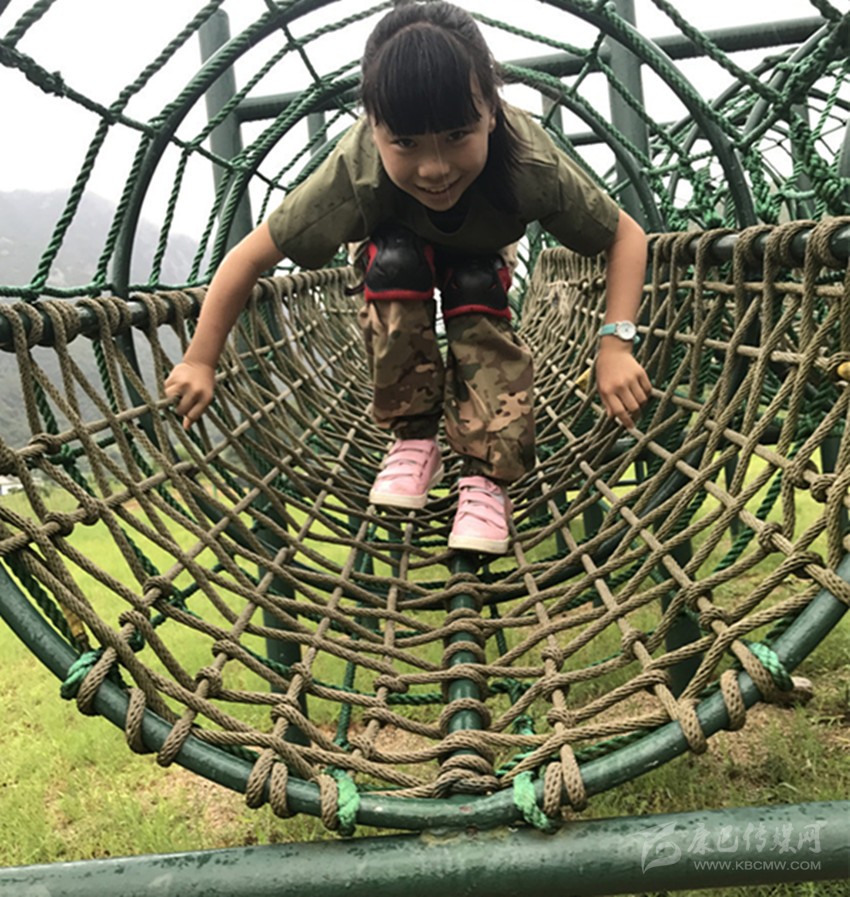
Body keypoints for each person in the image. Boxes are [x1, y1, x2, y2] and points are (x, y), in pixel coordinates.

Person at [164, 0, 651, 555]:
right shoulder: (355, 170)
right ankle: (415, 436)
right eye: (406, 143)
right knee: (395, 260)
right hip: (393, 264)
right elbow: (248, 259)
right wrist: (200, 360)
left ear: (492, 113)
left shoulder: (528, 164)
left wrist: (615, 344)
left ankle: (487, 474)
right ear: (373, 129)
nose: (435, 167)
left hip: (483, 256)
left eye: (458, 134)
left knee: (474, 283)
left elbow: (625, 236)